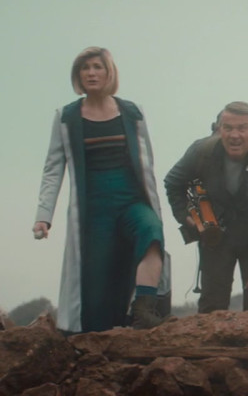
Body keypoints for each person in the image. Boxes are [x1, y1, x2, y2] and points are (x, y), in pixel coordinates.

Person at [32, 47, 171, 333]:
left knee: (151, 232)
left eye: (97, 67)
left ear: (109, 73)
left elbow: (146, 163)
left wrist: (154, 204)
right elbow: (53, 169)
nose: (91, 73)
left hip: (132, 201)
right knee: (97, 290)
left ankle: (144, 310)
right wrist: (43, 215)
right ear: (78, 76)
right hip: (93, 210)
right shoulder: (66, 117)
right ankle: (94, 342)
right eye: (85, 68)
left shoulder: (132, 113)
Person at [164, 101, 248, 313]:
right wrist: (187, 218)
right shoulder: (202, 151)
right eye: (228, 128)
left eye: (242, 128)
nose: (235, 135)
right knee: (211, 307)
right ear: (219, 129)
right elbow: (173, 183)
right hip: (216, 234)